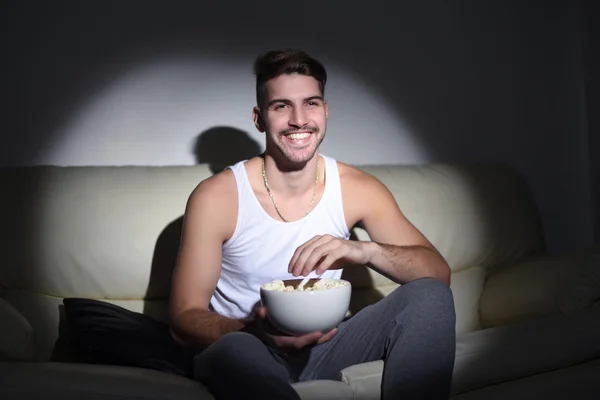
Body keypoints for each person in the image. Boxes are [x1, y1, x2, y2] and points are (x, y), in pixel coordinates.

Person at [168, 49, 456, 400]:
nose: (299, 120)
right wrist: (254, 331)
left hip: (329, 345)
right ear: (259, 118)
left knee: (430, 295)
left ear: (326, 111)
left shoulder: (357, 188)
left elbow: (438, 274)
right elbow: (184, 317)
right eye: (281, 106)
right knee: (231, 353)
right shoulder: (217, 197)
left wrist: (365, 250)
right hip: (248, 345)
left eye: (311, 103)